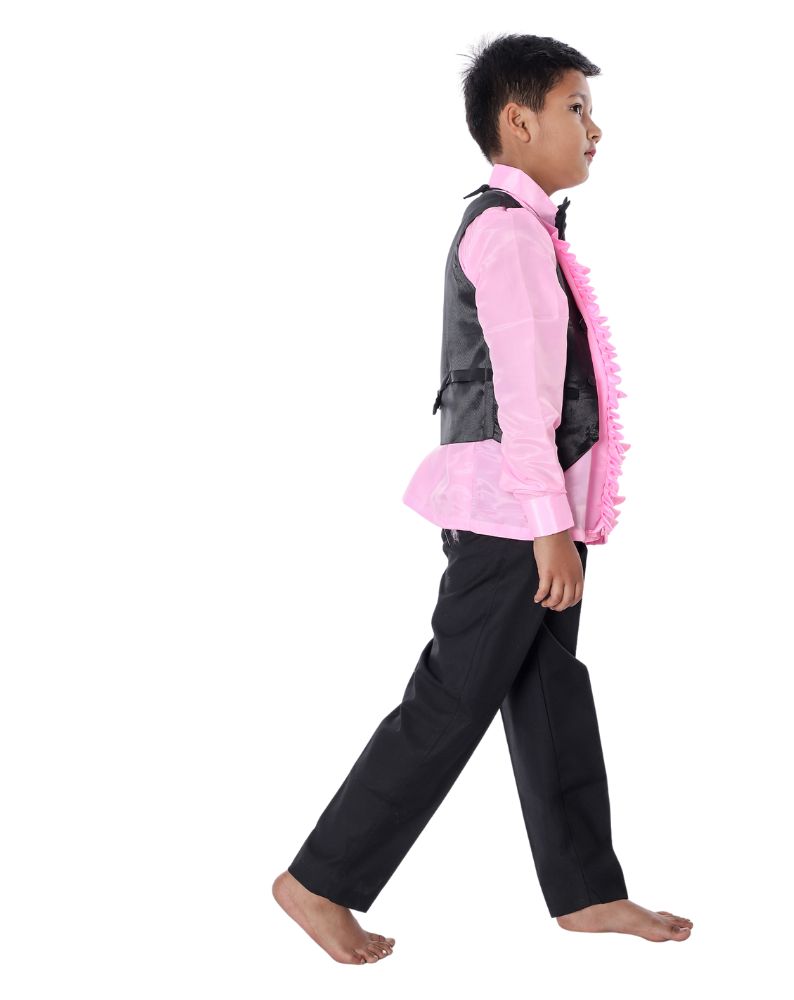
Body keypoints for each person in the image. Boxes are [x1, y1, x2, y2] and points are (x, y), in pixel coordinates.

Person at [272, 32, 693, 965]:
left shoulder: (524, 228)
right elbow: (523, 398)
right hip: (514, 515)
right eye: (577, 108)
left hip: (526, 511)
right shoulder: (507, 233)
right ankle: (319, 880)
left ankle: (586, 891)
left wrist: (557, 521)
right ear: (518, 121)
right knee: (453, 697)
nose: (595, 129)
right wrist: (549, 528)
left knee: (547, 690)